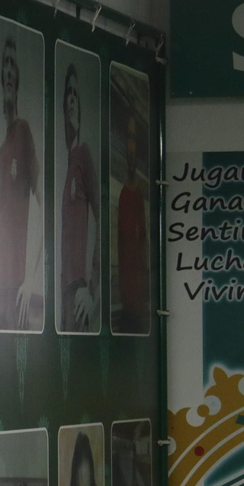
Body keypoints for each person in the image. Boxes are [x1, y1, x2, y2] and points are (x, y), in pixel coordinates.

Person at [0, 36, 42, 332]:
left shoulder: (23, 131)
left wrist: (33, 277)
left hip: (18, 288)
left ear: (18, 79)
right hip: (1, 287)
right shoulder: (1, 148)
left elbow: (42, 203)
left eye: (13, 64)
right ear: (1, 77)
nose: (9, 71)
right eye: (5, 64)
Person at [58, 62, 99, 333]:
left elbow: (102, 218)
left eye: (76, 94)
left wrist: (92, 288)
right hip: (65, 292)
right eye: (68, 95)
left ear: (80, 109)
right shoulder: (69, 162)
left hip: (78, 290)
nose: (72, 98)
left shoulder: (83, 153)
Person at [112, 117, 150, 334]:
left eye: (134, 139)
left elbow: (142, 238)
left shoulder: (137, 194)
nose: (131, 148)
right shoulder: (125, 194)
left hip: (136, 280)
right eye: (128, 139)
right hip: (128, 284)